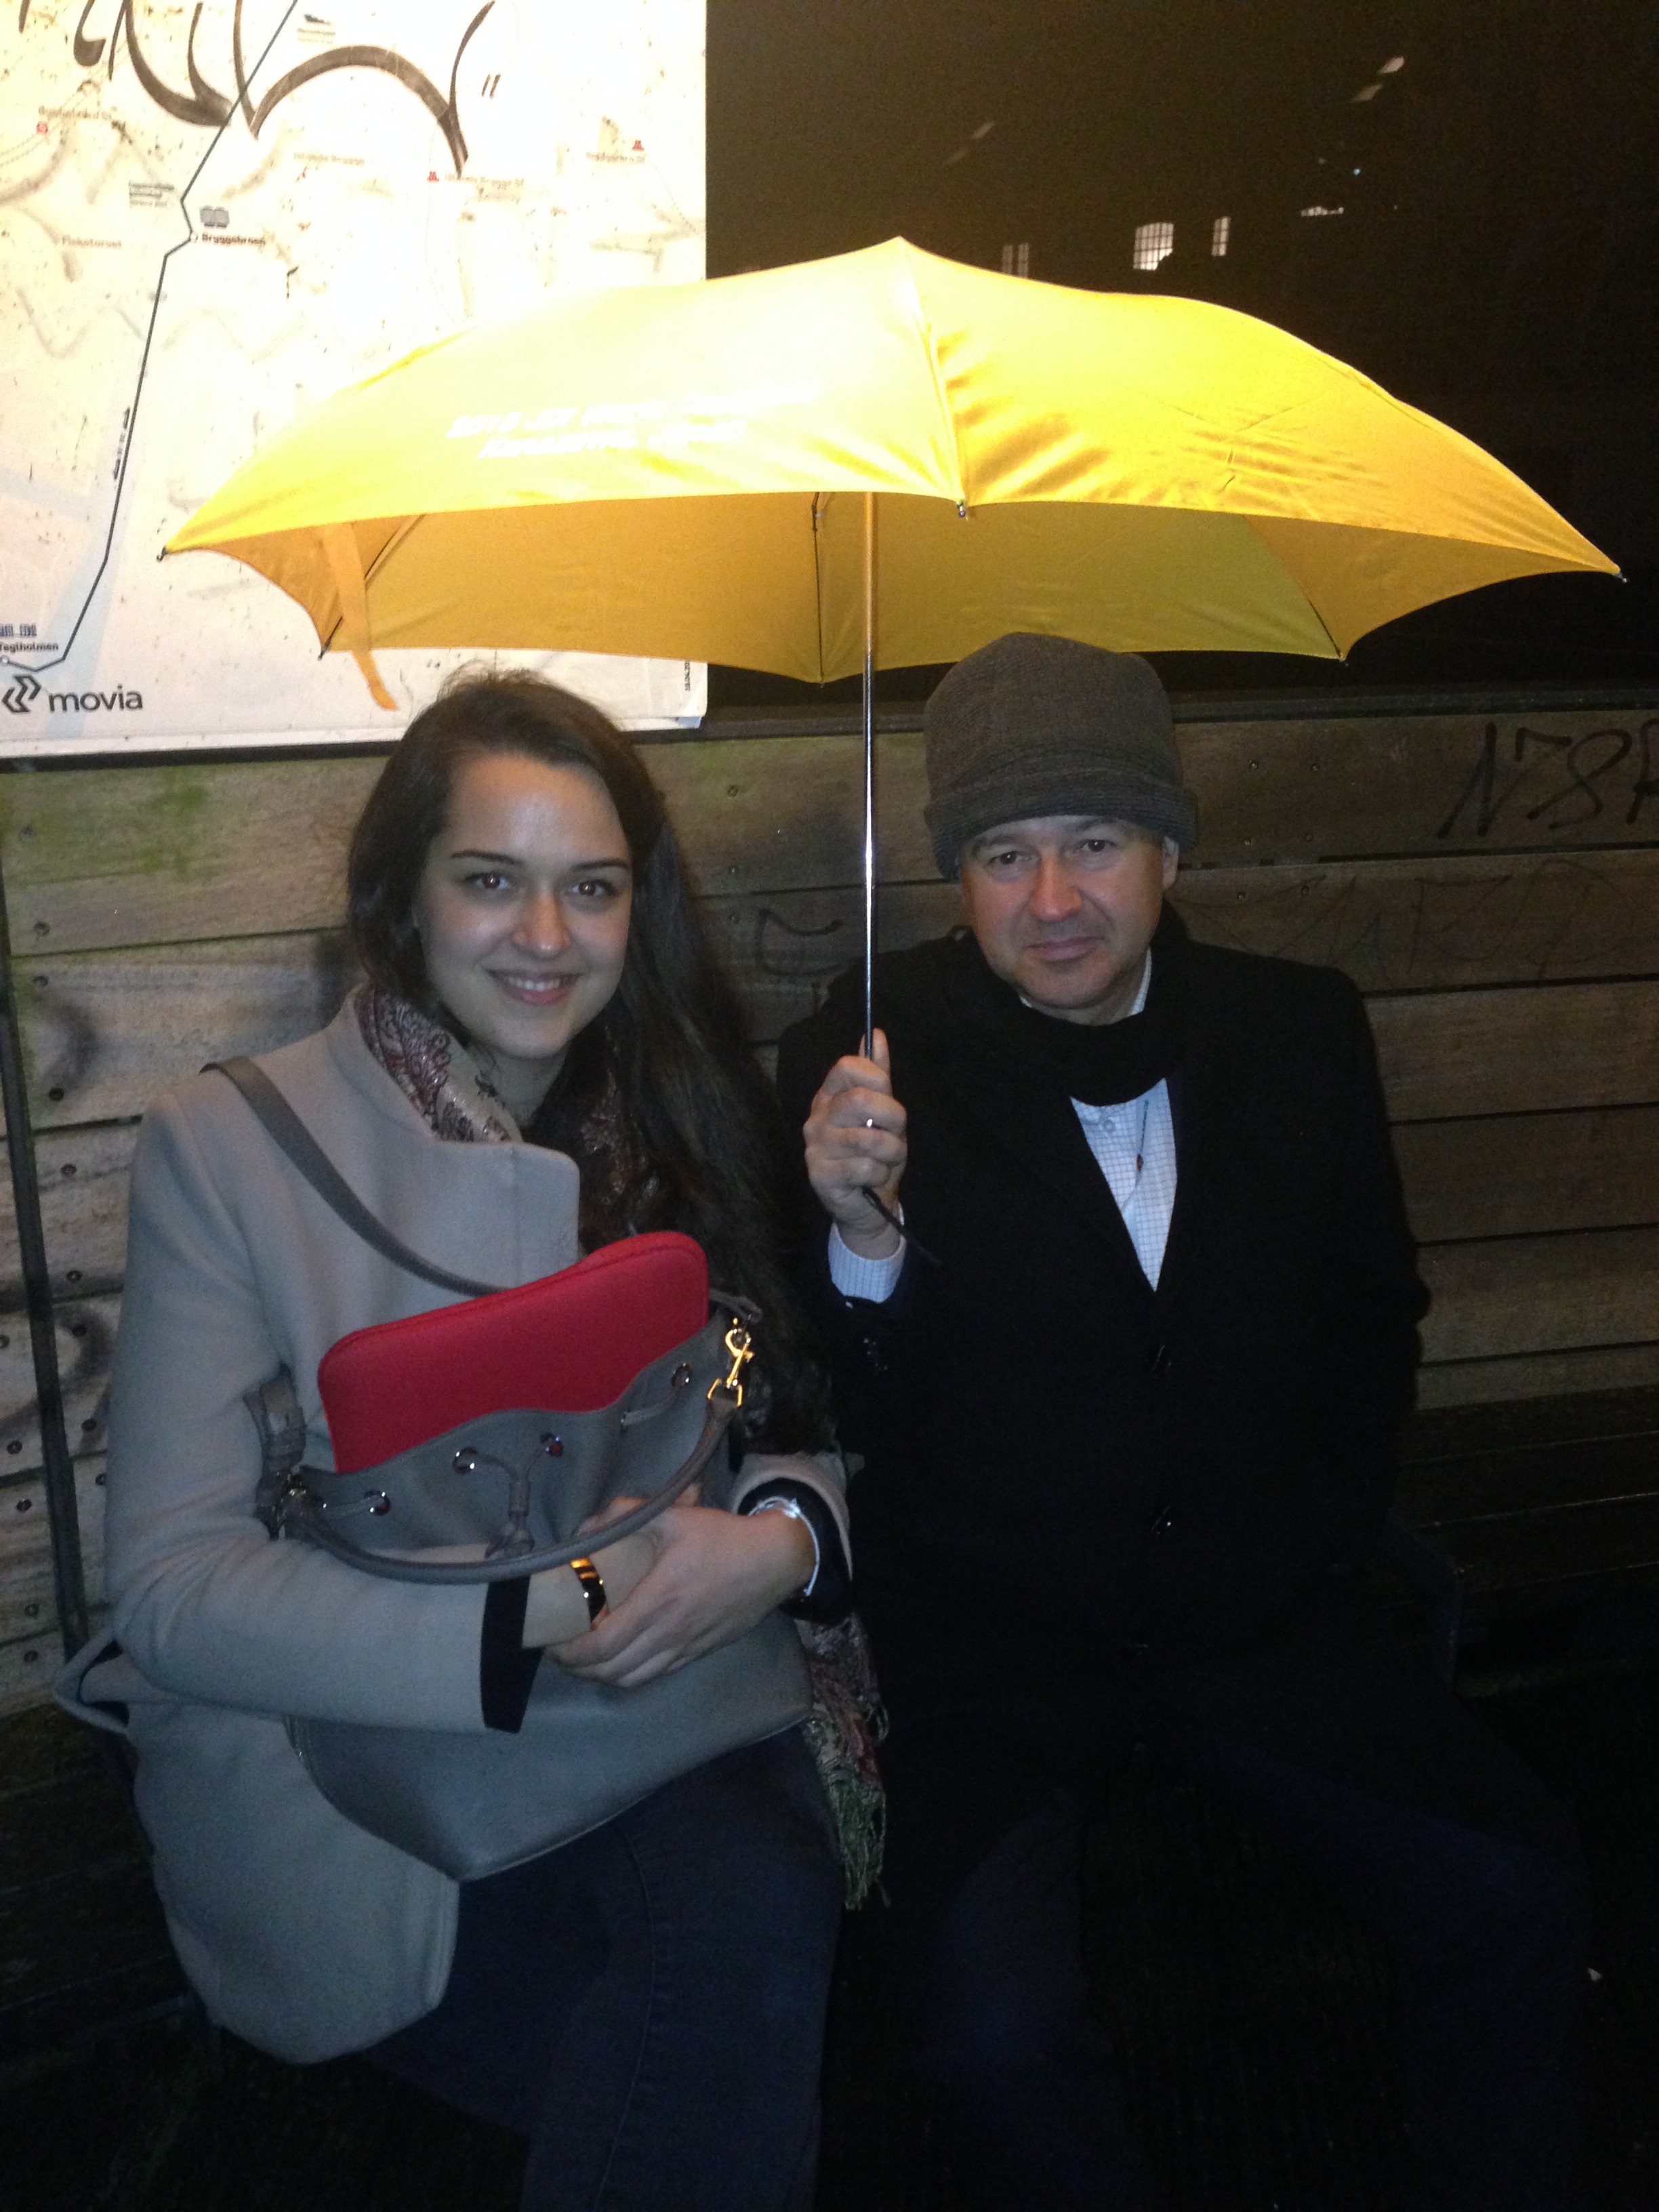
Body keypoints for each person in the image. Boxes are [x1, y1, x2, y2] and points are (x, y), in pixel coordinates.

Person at [777, 632, 1589, 2212]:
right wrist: (859, 1238)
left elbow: (1374, 1316)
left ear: (1171, 847)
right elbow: (827, 1391)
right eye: (1002, 855)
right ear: (956, 878)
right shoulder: (869, 1060)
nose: (1051, 900)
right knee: (994, 2041)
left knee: (1518, 1884)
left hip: (1268, 1626)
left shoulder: (1297, 1031)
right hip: (1000, 1660)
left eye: (1093, 841)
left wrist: (1316, 1540)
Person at [58, 670, 855, 2212]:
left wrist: (776, 1547)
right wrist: (561, 1600)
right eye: (491, 880)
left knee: (749, 1927)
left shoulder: (689, 1112)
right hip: (363, 1765)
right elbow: (171, 1590)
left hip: (671, 1702)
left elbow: (791, 1417)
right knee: (720, 2016)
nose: (545, 936)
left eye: (592, 889)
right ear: (403, 896)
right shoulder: (237, 1149)